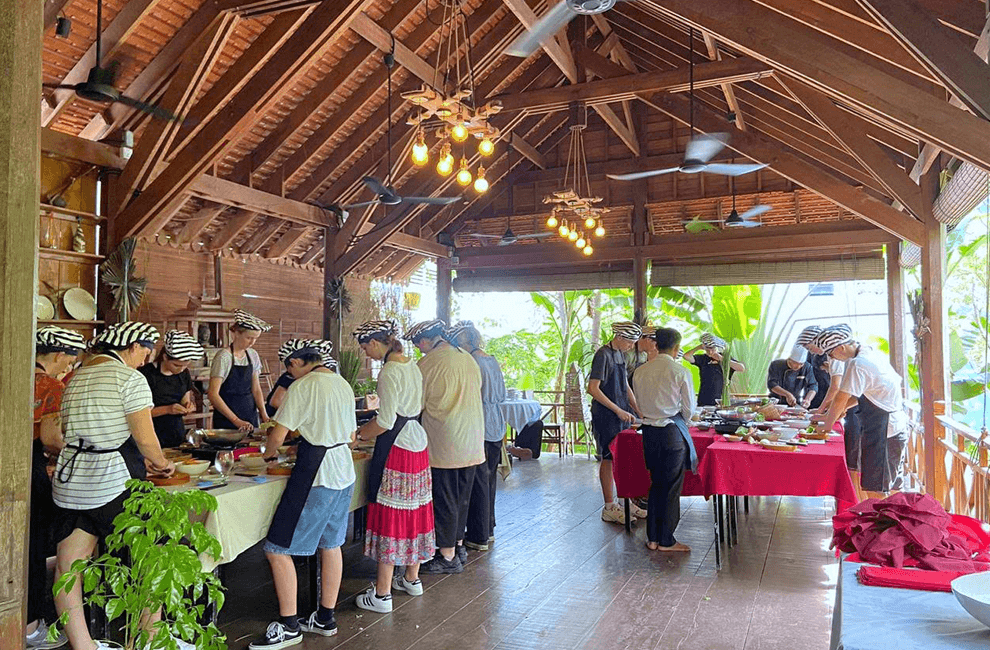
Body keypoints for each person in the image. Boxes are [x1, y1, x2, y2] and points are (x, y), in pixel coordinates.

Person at [52, 322, 181, 650]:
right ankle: (150, 642)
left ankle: (84, 646)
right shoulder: (129, 378)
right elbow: (146, 440)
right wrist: (163, 464)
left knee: (69, 564)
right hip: (112, 483)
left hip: (72, 483)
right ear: (131, 347)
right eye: (145, 351)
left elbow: (67, 430)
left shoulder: (76, 376)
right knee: (148, 563)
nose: (145, 359)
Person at [251, 339, 356, 649]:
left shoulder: (303, 386)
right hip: (343, 471)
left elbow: (278, 433)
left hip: (317, 474)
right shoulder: (341, 383)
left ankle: (289, 625)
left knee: (277, 548)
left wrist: (268, 455)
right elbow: (349, 436)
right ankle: (325, 617)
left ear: (295, 363)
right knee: (331, 543)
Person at [351, 321, 435, 614]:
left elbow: (385, 421)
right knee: (416, 509)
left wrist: (358, 435)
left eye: (365, 348)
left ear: (375, 343)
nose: (367, 354)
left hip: (397, 447)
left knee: (392, 513)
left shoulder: (388, 371)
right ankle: (412, 578)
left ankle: (383, 594)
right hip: (417, 441)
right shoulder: (412, 365)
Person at [406, 319, 485, 575]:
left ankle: (447, 556)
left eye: (419, 343)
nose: (419, 349)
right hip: (472, 438)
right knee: (462, 497)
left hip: (445, 441)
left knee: (445, 499)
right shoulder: (467, 358)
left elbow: (415, 406)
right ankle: (459, 546)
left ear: (428, 340)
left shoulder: (428, 364)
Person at [28, 327, 86, 649]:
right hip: (29, 468)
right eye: (70, 362)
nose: (68, 369)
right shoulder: (50, 385)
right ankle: (30, 626)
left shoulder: (9, 371)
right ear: (61, 355)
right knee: (33, 546)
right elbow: (51, 439)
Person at [814, 326, 908, 498]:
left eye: (830, 353)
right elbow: (861, 394)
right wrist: (839, 412)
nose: (831, 358)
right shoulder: (870, 353)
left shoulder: (858, 364)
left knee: (876, 489)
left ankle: (882, 524)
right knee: (892, 487)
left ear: (840, 348)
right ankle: (891, 523)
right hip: (893, 426)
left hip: (884, 430)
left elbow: (841, 397)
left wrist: (826, 427)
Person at [632, 327, 697, 552]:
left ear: (656, 345)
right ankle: (667, 540)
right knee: (670, 488)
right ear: (677, 348)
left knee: (656, 484)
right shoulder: (680, 371)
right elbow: (689, 410)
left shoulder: (640, 371)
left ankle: (652, 538)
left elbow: (639, 404)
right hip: (671, 432)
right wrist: (682, 418)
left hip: (649, 432)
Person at [451, 320, 507, 551]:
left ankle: (478, 533)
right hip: (496, 422)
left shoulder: (471, 362)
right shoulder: (492, 360)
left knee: (477, 481)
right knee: (489, 478)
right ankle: (488, 527)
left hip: (479, 422)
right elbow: (501, 393)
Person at [588, 321, 644, 525]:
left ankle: (626, 501)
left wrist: (638, 409)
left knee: (623, 458)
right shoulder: (603, 354)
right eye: (630, 342)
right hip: (606, 416)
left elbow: (625, 386)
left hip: (622, 413)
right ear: (619, 338)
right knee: (608, 458)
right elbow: (593, 388)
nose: (631, 346)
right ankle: (609, 506)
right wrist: (617, 409)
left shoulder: (620, 354)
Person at [208, 309, 271, 432]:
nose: (252, 342)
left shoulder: (253, 355)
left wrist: (264, 414)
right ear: (236, 333)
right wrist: (236, 420)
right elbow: (213, 394)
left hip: (250, 414)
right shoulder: (223, 357)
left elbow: (256, 389)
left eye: (255, 338)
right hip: (227, 418)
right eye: (249, 337)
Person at [139, 330, 203, 448]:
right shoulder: (146, 374)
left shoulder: (184, 374)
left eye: (185, 365)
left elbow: (185, 400)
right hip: (151, 436)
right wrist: (168, 409)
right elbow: (137, 413)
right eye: (177, 365)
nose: (181, 369)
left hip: (176, 434)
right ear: (165, 357)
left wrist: (188, 407)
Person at [681, 333, 745, 406]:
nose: (710, 352)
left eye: (712, 349)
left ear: (717, 347)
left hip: (721, 399)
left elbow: (741, 368)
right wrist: (698, 347)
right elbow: (686, 356)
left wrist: (720, 358)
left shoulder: (725, 357)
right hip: (704, 399)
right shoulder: (703, 358)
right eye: (708, 350)